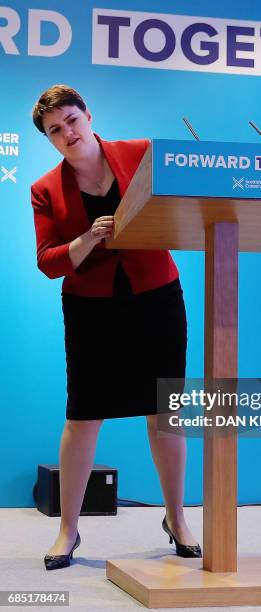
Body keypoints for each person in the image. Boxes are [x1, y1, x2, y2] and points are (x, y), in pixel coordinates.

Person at [30, 84, 201, 570]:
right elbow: (47, 262)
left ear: (88, 116)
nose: (68, 134)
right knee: (83, 416)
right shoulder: (44, 189)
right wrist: (87, 238)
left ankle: (178, 519)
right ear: (49, 138)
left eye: (72, 121)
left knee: (165, 411)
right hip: (91, 309)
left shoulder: (142, 153)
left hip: (157, 298)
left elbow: (178, 211)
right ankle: (67, 529)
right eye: (55, 130)